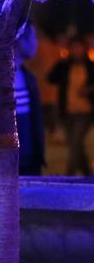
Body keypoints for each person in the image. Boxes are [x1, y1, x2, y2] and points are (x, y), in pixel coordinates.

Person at [48, 35, 94, 176]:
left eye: (79, 47)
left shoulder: (91, 67)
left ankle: (69, 175)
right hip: (67, 112)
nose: (77, 50)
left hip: (85, 112)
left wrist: (90, 89)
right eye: (74, 47)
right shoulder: (64, 66)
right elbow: (51, 78)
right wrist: (60, 61)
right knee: (76, 145)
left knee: (76, 141)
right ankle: (87, 174)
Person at [13, 22, 45, 175]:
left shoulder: (26, 76)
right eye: (33, 37)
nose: (35, 43)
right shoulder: (0, 79)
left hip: (29, 160)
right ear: (19, 38)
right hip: (11, 165)